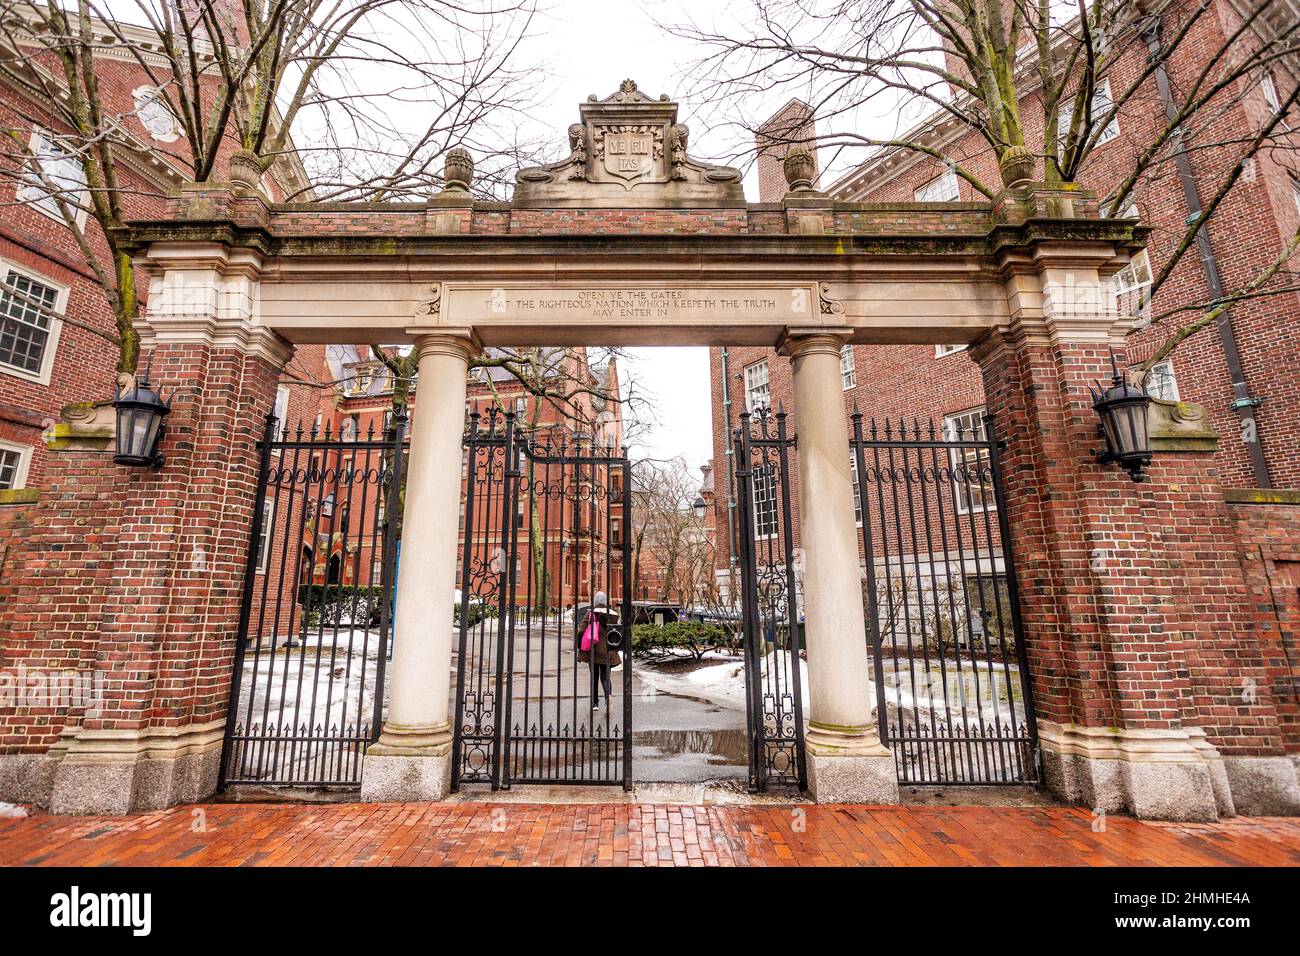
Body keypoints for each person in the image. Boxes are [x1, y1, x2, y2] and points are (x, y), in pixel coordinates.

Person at [576, 591, 620, 710]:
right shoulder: (613, 615)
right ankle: (608, 697)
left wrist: (579, 645)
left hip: (593, 651)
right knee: (606, 677)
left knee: (594, 677)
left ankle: (595, 703)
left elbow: (581, 631)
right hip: (608, 651)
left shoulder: (591, 614)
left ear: (595, 602)